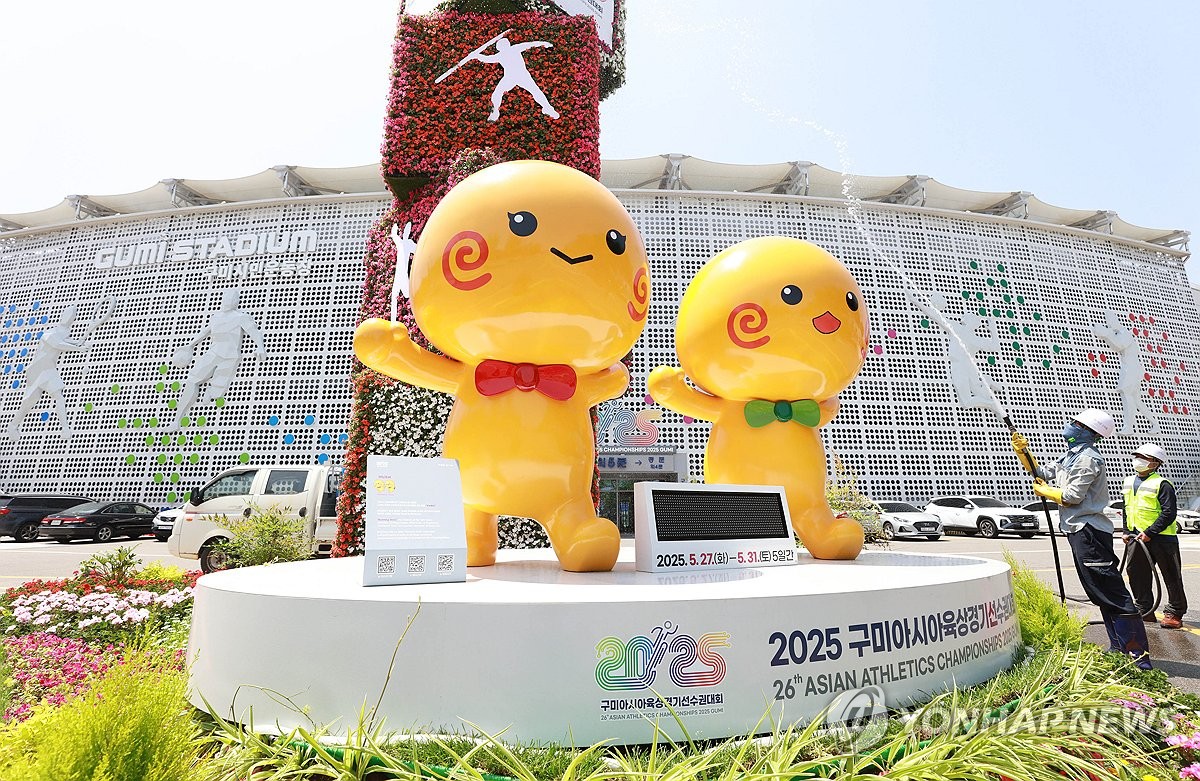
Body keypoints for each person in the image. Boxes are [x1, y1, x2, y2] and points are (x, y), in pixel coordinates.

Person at [1012, 408, 1151, 669]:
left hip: (1090, 532)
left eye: (1077, 424)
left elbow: (1072, 496)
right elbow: (1041, 472)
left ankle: (1137, 658)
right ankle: (1118, 649)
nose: (1070, 426)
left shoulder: (1088, 459)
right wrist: (1024, 453)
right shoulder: (1071, 456)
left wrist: (1047, 492)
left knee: (1111, 591)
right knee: (1099, 591)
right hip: (1078, 531)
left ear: (1090, 433)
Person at [1122, 442, 1187, 629]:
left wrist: (1150, 532)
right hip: (1137, 537)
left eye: (1144, 458)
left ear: (1155, 463)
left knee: (1171, 575)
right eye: (1137, 456)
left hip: (1162, 538)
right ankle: (1145, 609)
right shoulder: (1128, 481)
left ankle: (1174, 612)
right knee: (1136, 573)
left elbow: (1169, 513)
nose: (1138, 460)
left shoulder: (1162, 484)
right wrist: (1126, 531)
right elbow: (1127, 508)